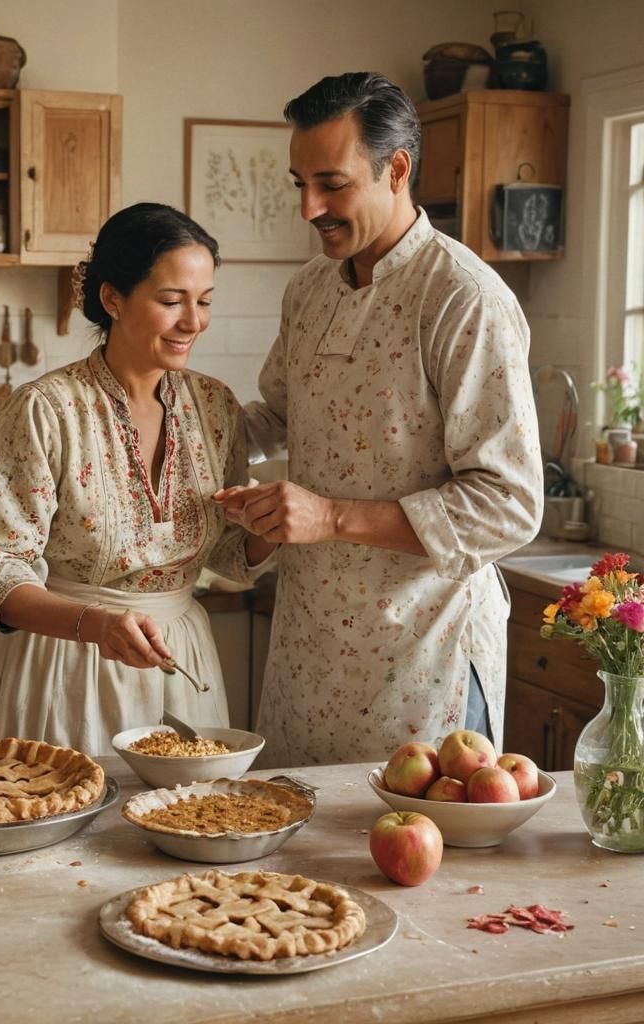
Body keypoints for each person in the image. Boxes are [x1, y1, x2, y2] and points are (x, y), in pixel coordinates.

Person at [213, 72, 543, 767]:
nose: (309, 207)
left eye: (331, 184)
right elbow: (276, 414)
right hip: (308, 653)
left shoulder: (463, 300)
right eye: (299, 182)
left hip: (423, 661)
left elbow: (510, 504)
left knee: (417, 869)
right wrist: (158, 420)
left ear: (397, 170)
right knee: (291, 866)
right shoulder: (309, 289)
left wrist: (331, 518)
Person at [0, 202, 277, 754]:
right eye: (172, 301)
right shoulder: (45, 411)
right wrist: (94, 625)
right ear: (113, 298)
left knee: (185, 825)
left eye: (204, 302)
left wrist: (266, 524)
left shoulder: (215, 407)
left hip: (182, 667)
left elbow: (223, 555)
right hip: (62, 668)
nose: (193, 322)